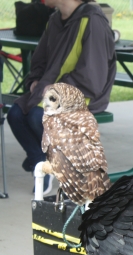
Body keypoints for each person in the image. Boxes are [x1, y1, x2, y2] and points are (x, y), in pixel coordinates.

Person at [7, 0, 116, 195]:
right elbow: (39, 60)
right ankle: (41, 163)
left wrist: (56, 89)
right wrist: (35, 80)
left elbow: (92, 76)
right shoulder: (54, 20)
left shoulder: (93, 20)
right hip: (50, 94)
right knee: (15, 114)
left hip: (83, 94)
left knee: (36, 117)